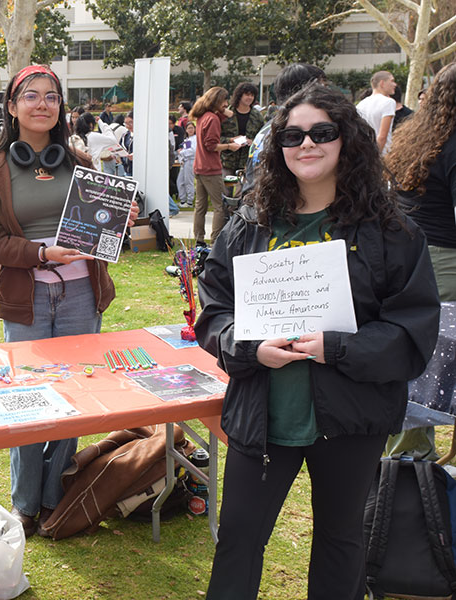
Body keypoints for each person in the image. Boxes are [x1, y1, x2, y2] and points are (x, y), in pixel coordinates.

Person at [196, 83, 439, 600]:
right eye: (292, 135)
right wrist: (246, 346)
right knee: (238, 539)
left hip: (350, 418)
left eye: (322, 133)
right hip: (263, 413)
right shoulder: (249, 222)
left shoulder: (392, 231)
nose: (306, 145)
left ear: (347, 139)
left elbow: (411, 330)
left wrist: (338, 347)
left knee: (340, 540)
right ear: (277, 145)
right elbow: (215, 309)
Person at [0, 64, 139, 539]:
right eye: (31, 96)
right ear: (12, 106)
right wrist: (40, 253)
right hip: (26, 300)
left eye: (51, 96)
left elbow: (102, 225)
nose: (42, 104)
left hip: (82, 295)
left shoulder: (82, 163)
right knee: (25, 402)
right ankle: (25, 503)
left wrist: (117, 219)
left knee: (74, 399)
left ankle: (52, 496)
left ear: (61, 107)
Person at [385, 62, 456, 460]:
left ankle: (407, 458)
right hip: (444, 265)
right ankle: (410, 465)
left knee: (419, 360)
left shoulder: (421, 136)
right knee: (430, 367)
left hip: (412, 258)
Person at [242, 63, 327, 198]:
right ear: (304, 92)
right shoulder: (289, 131)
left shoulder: (271, 126)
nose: (327, 95)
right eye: (321, 87)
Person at [191, 86, 239, 246]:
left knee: (200, 206)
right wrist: (228, 146)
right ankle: (216, 241)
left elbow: (229, 115)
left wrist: (227, 140)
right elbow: (211, 145)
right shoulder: (212, 119)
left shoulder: (203, 116)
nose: (227, 104)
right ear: (217, 100)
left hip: (199, 166)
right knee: (220, 207)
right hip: (211, 169)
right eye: (224, 100)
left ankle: (199, 239)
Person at [220, 82, 264, 178]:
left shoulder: (257, 116)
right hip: (227, 160)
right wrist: (231, 140)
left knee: (244, 192)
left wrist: (252, 142)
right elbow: (216, 138)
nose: (250, 98)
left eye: (252, 95)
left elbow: (263, 139)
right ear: (239, 95)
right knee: (225, 191)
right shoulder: (226, 114)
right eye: (247, 94)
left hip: (248, 162)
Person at [356, 70, 397, 154]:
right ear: (382, 83)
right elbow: (382, 136)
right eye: (392, 81)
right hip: (382, 154)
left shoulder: (361, 104)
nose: (395, 84)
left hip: (364, 153)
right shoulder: (388, 102)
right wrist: (376, 158)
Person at [177, 121, 197, 207]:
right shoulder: (186, 139)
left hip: (191, 161)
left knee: (189, 181)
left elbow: (193, 151)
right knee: (180, 181)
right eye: (189, 128)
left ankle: (189, 201)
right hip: (184, 162)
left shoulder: (195, 138)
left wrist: (182, 153)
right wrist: (181, 157)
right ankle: (183, 200)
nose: (190, 130)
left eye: (192, 128)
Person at [120, 110, 134, 176]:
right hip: (127, 171)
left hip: (139, 171)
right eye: (126, 123)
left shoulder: (143, 136)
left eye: (130, 122)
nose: (128, 126)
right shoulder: (125, 135)